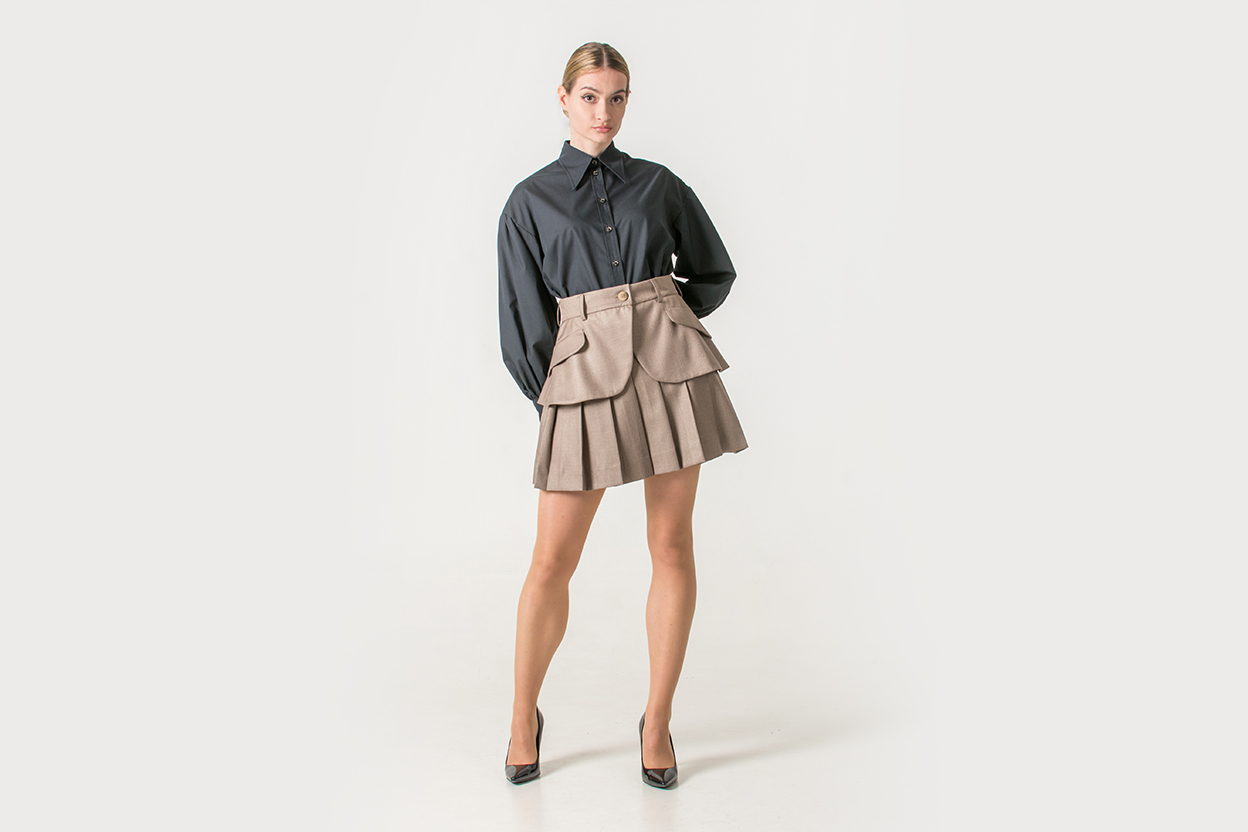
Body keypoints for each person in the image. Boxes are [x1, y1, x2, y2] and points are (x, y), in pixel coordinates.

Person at [497, 41, 748, 789]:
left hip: (670, 369)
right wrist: (554, 392)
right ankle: (521, 716)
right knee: (552, 560)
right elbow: (522, 321)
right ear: (564, 98)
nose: (603, 112)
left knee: (671, 544)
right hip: (582, 379)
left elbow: (712, 270)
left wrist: (665, 317)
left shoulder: (659, 184)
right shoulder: (529, 201)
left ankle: (658, 719)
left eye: (617, 97)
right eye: (590, 97)